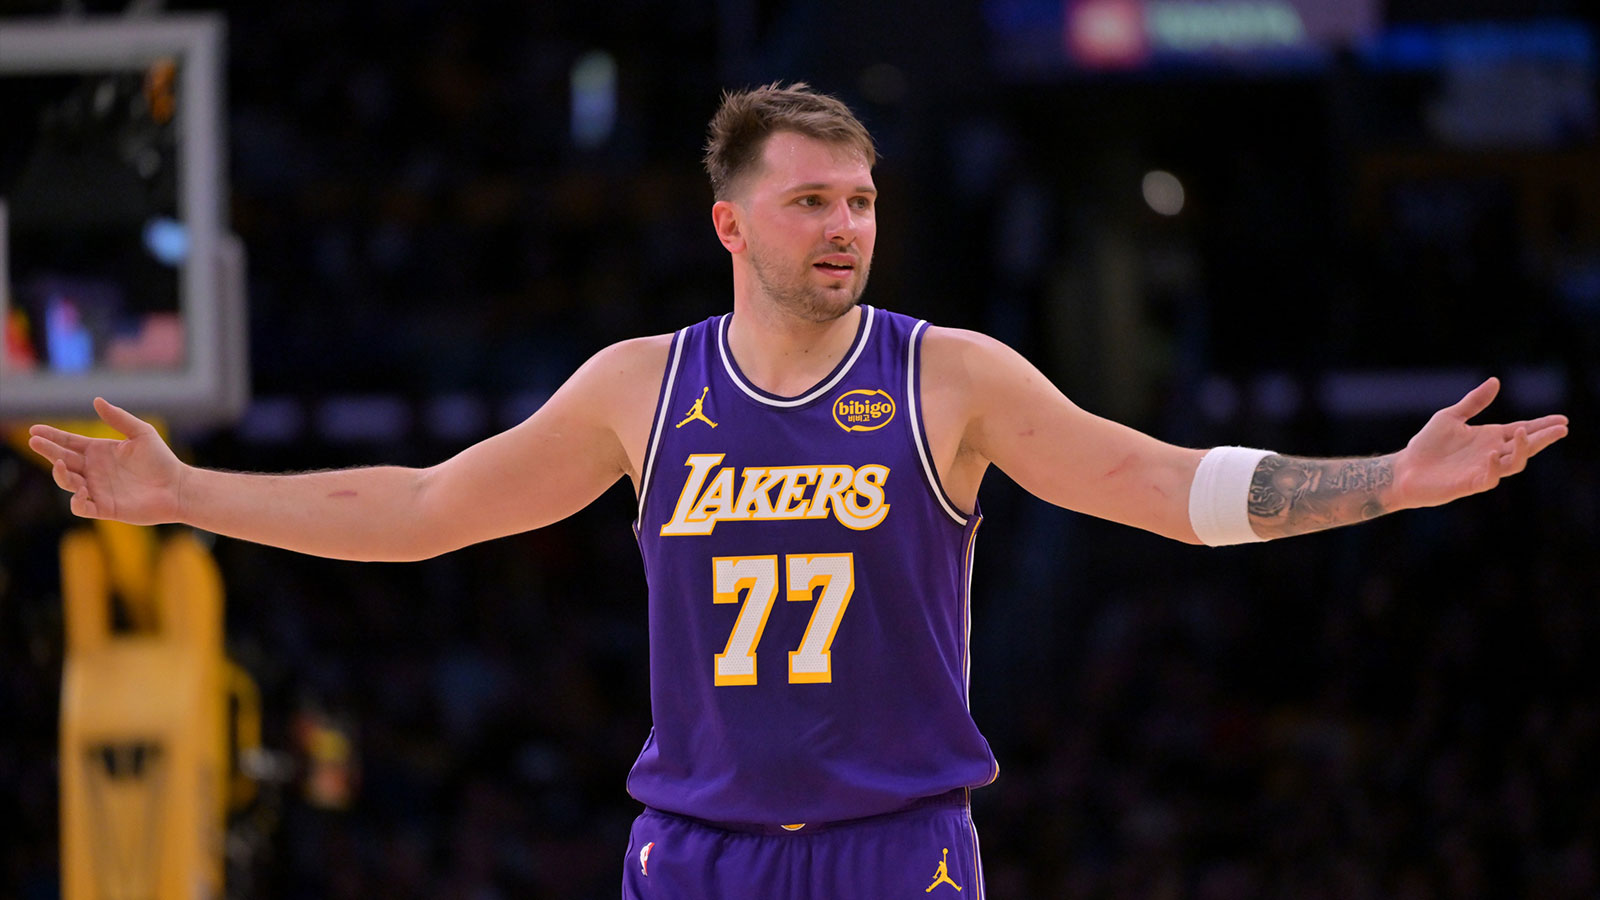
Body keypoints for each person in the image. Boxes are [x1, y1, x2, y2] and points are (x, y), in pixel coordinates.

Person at [28, 83, 1568, 899]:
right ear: (731, 224)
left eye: (865, 200)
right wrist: (190, 495)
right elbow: (428, 508)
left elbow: (1162, 485)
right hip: (693, 854)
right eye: (813, 201)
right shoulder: (644, 386)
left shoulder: (946, 376)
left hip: (896, 847)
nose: (847, 226)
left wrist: (1388, 484)